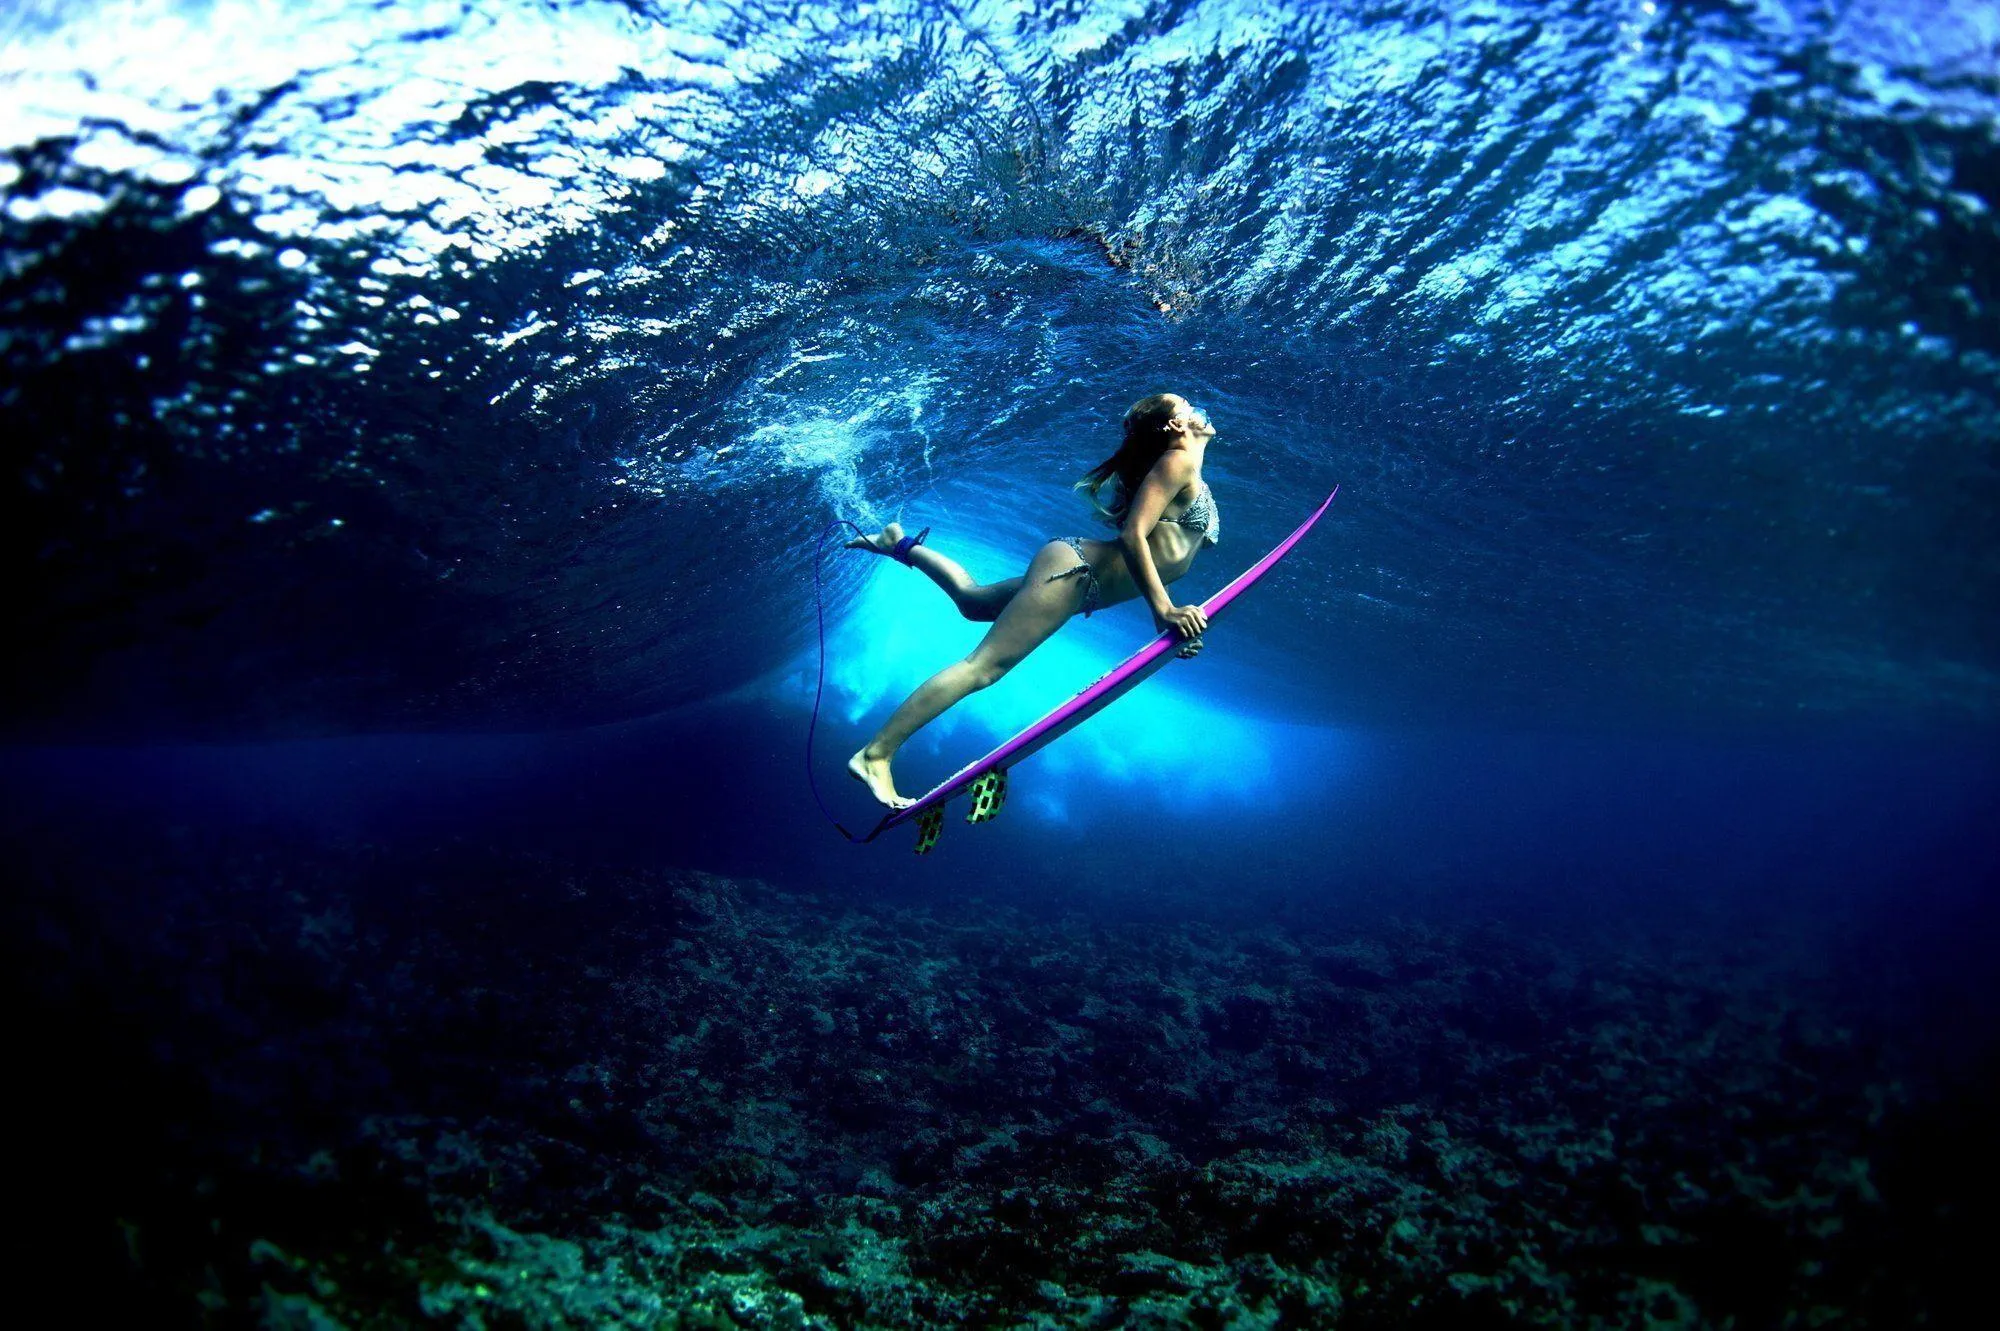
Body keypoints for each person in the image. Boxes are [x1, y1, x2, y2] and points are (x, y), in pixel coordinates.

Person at [845, 392, 1222, 809]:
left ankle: (898, 545)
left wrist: (1176, 619)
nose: (1199, 409)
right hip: (1073, 573)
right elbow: (1134, 535)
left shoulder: (1186, 469)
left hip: (1076, 578)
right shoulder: (1178, 461)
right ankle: (874, 755)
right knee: (983, 669)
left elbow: (1164, 550)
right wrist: (1165, 610)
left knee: (973, 601)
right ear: (1173, 426)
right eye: (1188, 407)